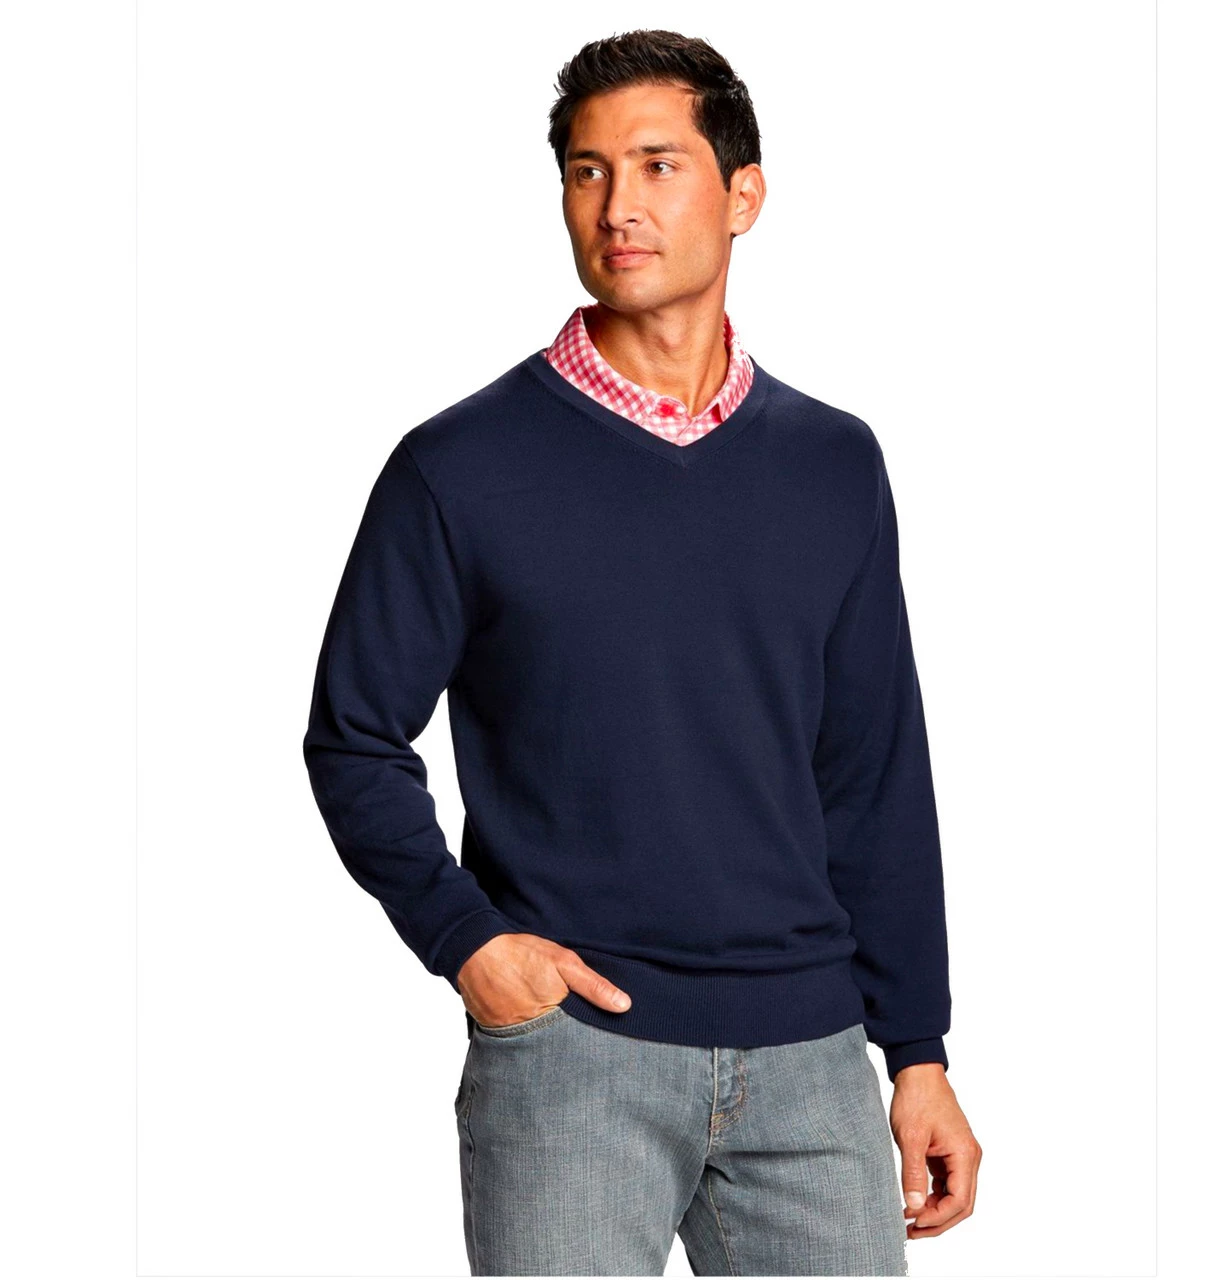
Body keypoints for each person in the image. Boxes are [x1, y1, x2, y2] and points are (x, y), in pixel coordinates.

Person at [302, 27, 981, 1277]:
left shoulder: (834, 464)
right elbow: (352, 735)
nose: (616, 204)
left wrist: (918, 1049)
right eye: (586, 171)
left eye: (658, 165)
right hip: (572, 1058)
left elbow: (872, 769)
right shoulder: (459, 467)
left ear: (743, 194)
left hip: (809, 1064)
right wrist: (470, 943)